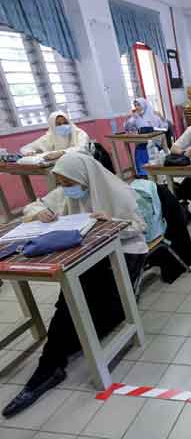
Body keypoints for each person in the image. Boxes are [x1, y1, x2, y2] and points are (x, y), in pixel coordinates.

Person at [2, 152, 147, 418]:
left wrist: (111, 223)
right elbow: (31, 207)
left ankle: (51, 361)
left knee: (96, 307)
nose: (65, 187)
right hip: (86, 257)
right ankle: (49, 364)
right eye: (60, 182)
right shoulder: (67, 192)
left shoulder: (119, 192)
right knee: (72, 298)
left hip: (124, 253)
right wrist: (41, 213)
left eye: (67, 181)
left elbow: (139, 227)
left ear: (83, 177)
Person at [124, 98, 168, 177]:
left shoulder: (154, 116)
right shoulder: (136, 118)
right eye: (135, 105)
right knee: (139, 150)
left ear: (144, 105)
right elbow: (127, 128)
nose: (137, 107)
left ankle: (155, 174)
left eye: (138, 105)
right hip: (141, 145)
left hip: (154, 145)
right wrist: (132, 119)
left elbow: (164, 128)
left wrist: (162, 118)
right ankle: (143, 175)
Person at [20, 111, 90, 159]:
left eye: (65, 123)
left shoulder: (80, 134)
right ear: (52, 126)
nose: (63, 126)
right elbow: (25, 148)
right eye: (59, 124)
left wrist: (62, 152)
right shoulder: (49, 137)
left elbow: (82, 148)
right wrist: (29, 152)